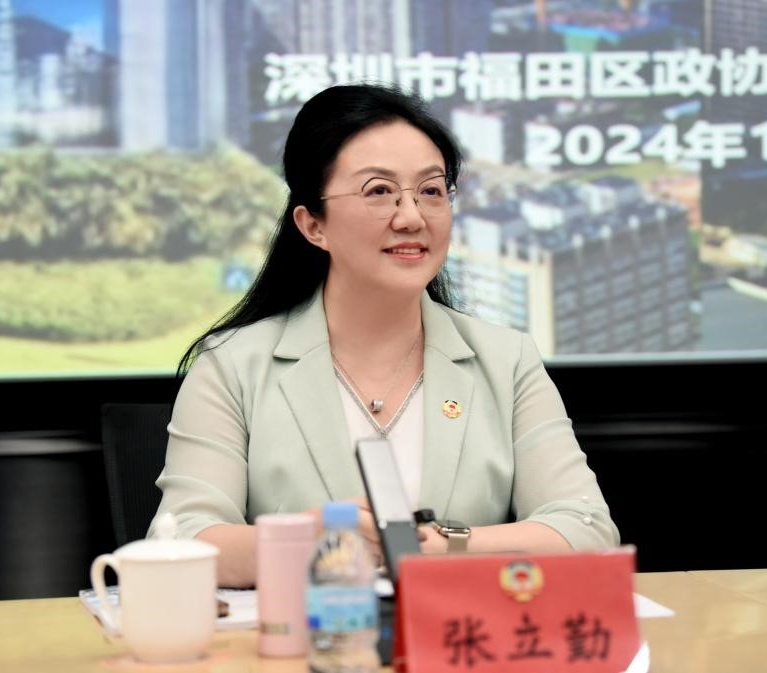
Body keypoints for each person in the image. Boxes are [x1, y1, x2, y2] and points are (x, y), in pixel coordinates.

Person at [149, 83, 618, 588]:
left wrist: (444, 545)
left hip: (457, 635)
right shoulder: (232, 366)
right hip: (310, 635)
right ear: (312, 225)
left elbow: (587, 528)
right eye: (378, 191)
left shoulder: (506, 360)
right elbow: (180, 538)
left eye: (431, 191)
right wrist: (303, 541)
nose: (412, 217)